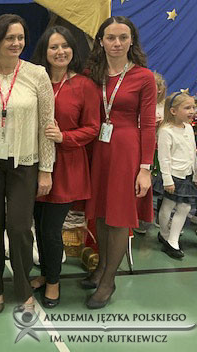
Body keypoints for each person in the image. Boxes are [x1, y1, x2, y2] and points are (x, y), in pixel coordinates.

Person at [0, 14, 55, 314]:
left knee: (19, 227)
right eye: (9, 38)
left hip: (25, 161)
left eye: (20, 37)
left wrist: (46, 169)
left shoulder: (38, 75)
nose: (16, 43)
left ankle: (22, 286)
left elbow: (47, 124)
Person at [82, 16, 156, 309]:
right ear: (101, 41)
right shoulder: (92, 73)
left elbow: (148, 125)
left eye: (123, 37)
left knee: (119, 216)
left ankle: (109, 281)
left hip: (126, 151)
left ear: (131, 41)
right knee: (101, 213)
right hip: (98, 149)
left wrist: (145, 168)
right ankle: (101, 267)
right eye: (111, 37)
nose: (117, 43)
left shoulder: (143, 77)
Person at [29, 26, 100, 308]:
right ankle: (47, 274)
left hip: (67, 166)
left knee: (50, 228)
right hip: (33, 163)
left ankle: (54, 283)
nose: (60, 52)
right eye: (53, 47)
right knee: (38, 224)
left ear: (73, 50)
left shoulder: (84, 85)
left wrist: (64, 137)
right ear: (44, 52)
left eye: (65, 46)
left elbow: (92, 128)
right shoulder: (34, 81)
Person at [156, 91, 197, 259]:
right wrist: (167, 180)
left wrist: (195, 175)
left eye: (193, 107)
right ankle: (165, 234)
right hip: (173, 176)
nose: (192, 111)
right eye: (187, 108)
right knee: (168, 205)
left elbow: (192, 153)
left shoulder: (188, 127)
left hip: (186, 175)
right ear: (173, 111)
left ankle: (172, 240)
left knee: (185, 207)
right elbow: (164, 158)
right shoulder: (166, 131)